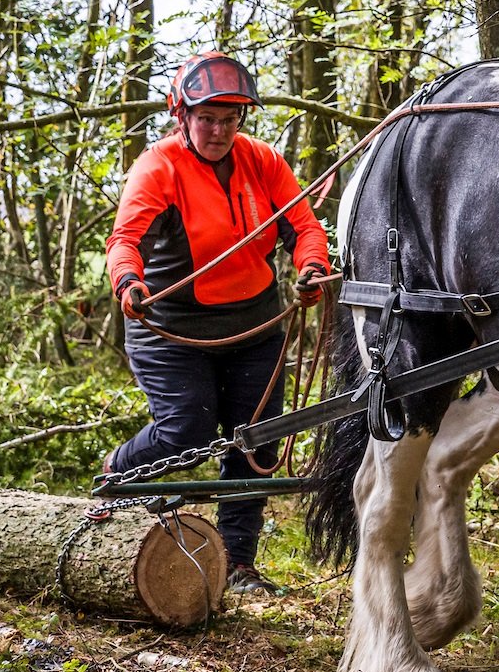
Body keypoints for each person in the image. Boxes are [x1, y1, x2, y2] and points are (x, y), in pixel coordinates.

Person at [106, 52, 331, 593]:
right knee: (186, 430)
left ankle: (237, 564)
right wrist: (128, 283)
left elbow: (304, 226)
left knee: (256, 444)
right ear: (181, 116)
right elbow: (125, 241)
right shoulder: (157, 167)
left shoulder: (264, 162)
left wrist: (312, 268)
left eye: (230, 120)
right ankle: (117, 479)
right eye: (207, 119)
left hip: (255, 327)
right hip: (172, 330)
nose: (218, 130)